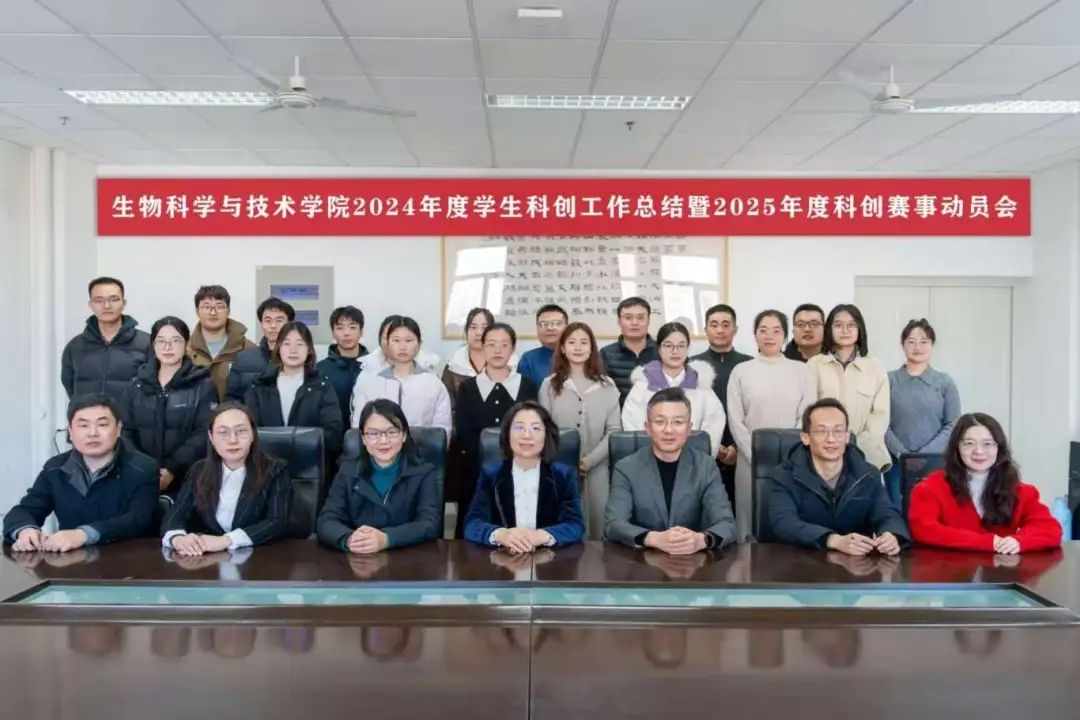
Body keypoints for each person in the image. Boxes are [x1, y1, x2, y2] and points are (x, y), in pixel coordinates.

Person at [5, 394, 158, 552]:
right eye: (83, 425)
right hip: (70, 560)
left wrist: (83, 534)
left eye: (102, 425)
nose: (92, 433)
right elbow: (25, 510)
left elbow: (139, 520)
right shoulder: (55, 468)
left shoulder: (143, 468)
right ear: (70, 432)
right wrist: (25, 530)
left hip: (128, 559)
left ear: (118, 429)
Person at [767, 398, 910, 555]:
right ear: (805, 438)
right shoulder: (785, 475)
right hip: (800, 561)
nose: (831, 439)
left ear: (847, 437)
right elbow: (784, 523)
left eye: (838, 431)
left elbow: (887, 514)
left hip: (858, 564)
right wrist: (833, 540)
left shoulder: (868, 474)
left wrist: (891, 535)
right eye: (822, 431)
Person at [604, 388, 735, 552]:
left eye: (678, 422)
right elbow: (613, 524)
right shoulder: (626, 468)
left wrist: (701, 540)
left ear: (689, 428)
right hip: (640, 560)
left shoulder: (706, 466)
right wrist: (653, 538)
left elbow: (727, 523)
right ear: (648, 427)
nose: (668, 430)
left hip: (694, 560)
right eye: (660, 422)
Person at [907, 413, 1061, 553]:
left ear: (999, 448)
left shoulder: (1020, 491)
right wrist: (987, 542)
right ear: (957, 448)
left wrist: (1019, 541)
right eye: (969, 443)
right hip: (950, 572)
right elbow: (923, 530)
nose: (979, 451)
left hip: (1002, 572)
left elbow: (1050, 529)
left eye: (987, 444)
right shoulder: (930, 487)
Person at [726, 310, 815, 540]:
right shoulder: (741, 371)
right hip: (749, 461)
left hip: (793, 460)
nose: (769, 336)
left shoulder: (801, 371)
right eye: (763, 330)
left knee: (789, 518)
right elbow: (735, 419)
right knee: (749, 521)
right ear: (755, 334)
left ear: (785, 335)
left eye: (776, 331)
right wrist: (754, 454)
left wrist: (789, 453)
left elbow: (806, 416)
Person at [161, 402, 291, 555]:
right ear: (211, 437)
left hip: (259, 558)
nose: (232, 440)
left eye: (240, 431)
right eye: (223, 432)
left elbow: (276, 522)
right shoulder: (199, 470)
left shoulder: (275, 470)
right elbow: (176, 515)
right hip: (205, 560)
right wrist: (177, 538)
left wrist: (227, 540)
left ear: (253, 435)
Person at [317, 399, 442, 553]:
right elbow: (326, 520)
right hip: (358, 558)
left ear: (404, 435)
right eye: (373, 433)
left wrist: (387, 538)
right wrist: (348, 539)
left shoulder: (423, 473)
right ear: (363, 438)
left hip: (408, 558)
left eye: (391, 432)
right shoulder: (347, 472)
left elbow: (430, 524)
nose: (383, 441)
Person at [453, 323, 538, 537]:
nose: (497, 350)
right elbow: (464, 433)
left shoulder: (527, 386)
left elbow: (532, 430)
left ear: (513, 349)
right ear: (482, 347)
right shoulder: (467, 388)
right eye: (491, 344)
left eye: (504, 345)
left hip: (519, 472)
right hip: (475, 473)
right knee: (473, 535)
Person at [463, 401, 584, 550]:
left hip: (550, 558)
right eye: (519, 427)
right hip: (503, 557)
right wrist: (500, 534)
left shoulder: (563, 475)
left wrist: (543, 535)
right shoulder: (491, 474)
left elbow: (575, 525)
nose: (526, 435)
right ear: (507, 433)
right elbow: (472, 524)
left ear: (546, 435)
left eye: (536, 428)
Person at [539, 322, 621, 540]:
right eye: (572, 342)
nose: (578, 347)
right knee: (561, 529)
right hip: (558, 468)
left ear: (592, 348)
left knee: (598, 527)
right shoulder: (549, 385)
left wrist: (589, 461)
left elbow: (614, 430)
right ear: (562, 348)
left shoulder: (607, 385)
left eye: (584, 342)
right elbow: (543, 429)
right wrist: (563, 459)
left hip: (598, 469)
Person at [120, 317, 216, 498]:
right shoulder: (136, 385)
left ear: (187, 345)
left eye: (175, 341)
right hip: (140, 476)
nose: (167, 347)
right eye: (161, 341)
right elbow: (125, 430)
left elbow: (204, 432)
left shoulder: (203, 385)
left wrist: (172, 468)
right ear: (153, 345)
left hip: (188, 477)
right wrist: (144, 468)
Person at [884, 318, 962, 504]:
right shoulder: (888, 380)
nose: (917, 347)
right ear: (902, 345)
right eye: (911, 341)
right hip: (896, 462)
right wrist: (903, 455)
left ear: (932, 345)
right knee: (897, 511)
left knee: (931, 510)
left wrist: (924, 456)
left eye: (924, 341)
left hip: (935, 462)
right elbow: (880, 422)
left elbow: (953, 423)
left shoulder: (944, 382)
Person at [244, 321, 344, 464]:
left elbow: (333, 433)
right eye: (286, 344)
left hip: (309, 465)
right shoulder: (259, 385)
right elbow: (249, 429)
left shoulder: (322, 386)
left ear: (309, 350)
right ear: (278, 349)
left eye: (299, 344)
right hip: (266, 464)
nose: (293, 350)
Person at [621, 321, 726, 456]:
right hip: (650, 459)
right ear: (659, 349)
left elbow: (713, 425)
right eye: (668, 345)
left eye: (681, 346)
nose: (675, 351)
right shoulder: (643, 385)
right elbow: (633, 427)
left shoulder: (701, 385)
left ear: (688, 349)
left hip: (694, 460)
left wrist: (699, 459)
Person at [806, 304, 891, 471]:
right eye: (838, 325)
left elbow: (880, 416)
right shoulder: (814, 365)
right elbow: (808, 412)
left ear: (860, 329)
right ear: (829, 330)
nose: (845, 330)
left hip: (867, 455)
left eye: (851, 325)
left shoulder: (876, 367)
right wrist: (831, 441)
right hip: (823, 454)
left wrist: (855, 444)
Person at [351, 316, 452, 437]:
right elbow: (358, 425)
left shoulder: (434, 384)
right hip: (377, 446)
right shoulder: (369, 382)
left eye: (409, 340)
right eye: (396, 340)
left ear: (419, 343)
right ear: (387, 344)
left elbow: (442, 431)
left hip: (420, 447)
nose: (403, 347)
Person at [692, 304, 751, 506]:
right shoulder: (692, 366)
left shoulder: (748, 365)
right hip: (703, 449)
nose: (720, 330)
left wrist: (736, 446)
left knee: (741, 508)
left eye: (726, 325)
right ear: (705, 329)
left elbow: (752, 410)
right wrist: (714, 446)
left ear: (735, 330)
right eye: (714, 325)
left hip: (742, 449)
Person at [61, 276, 151, 402]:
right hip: (88, 414)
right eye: (99, 300)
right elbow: (69, 384)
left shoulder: (146, 343)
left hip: (131, 415)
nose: (107, 305)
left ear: (123, 303)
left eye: (114, 299)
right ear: (91, 305)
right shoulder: (75, 346)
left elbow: (153, 386)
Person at [187, 285, 256, 401]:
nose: (213, 312)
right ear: (197, 311)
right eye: (206, 307)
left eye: (219, 306)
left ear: (228, 311)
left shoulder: (248, 349)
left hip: (236, 411)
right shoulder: (185, 349)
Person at [225, 297, 295, 401]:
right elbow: (231, 399)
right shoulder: (243, 359)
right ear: (261, 324)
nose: (273, 325)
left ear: (289, 324)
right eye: (268, 321)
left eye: (279, 320)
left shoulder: (298, 358)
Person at [316, 306, 370, 429]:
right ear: (333, 333)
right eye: (340, 328)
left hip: (369, 435)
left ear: (361, 331)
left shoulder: (373, 367)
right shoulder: (320, 370)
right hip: (332, 435)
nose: (346, 333)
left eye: (352, 327)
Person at [600, 297, 660, 405]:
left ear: (649, 320)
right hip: (620, 414)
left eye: (640, 317)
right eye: (628, 318)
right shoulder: (606, 354)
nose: (634, 322)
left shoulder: (662, 351)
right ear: (619, 321)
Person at [359, 314, 441, 376]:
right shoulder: (369, 366)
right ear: (380, 339)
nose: (402, 346)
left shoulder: (427, 365)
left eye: (408, 340)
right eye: (386, 337)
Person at [517, 304, 568, 387]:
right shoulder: (528, 359)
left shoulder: (579, 354)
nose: (550, 328)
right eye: (544, 324)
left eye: (556, 324)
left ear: (567, 328)